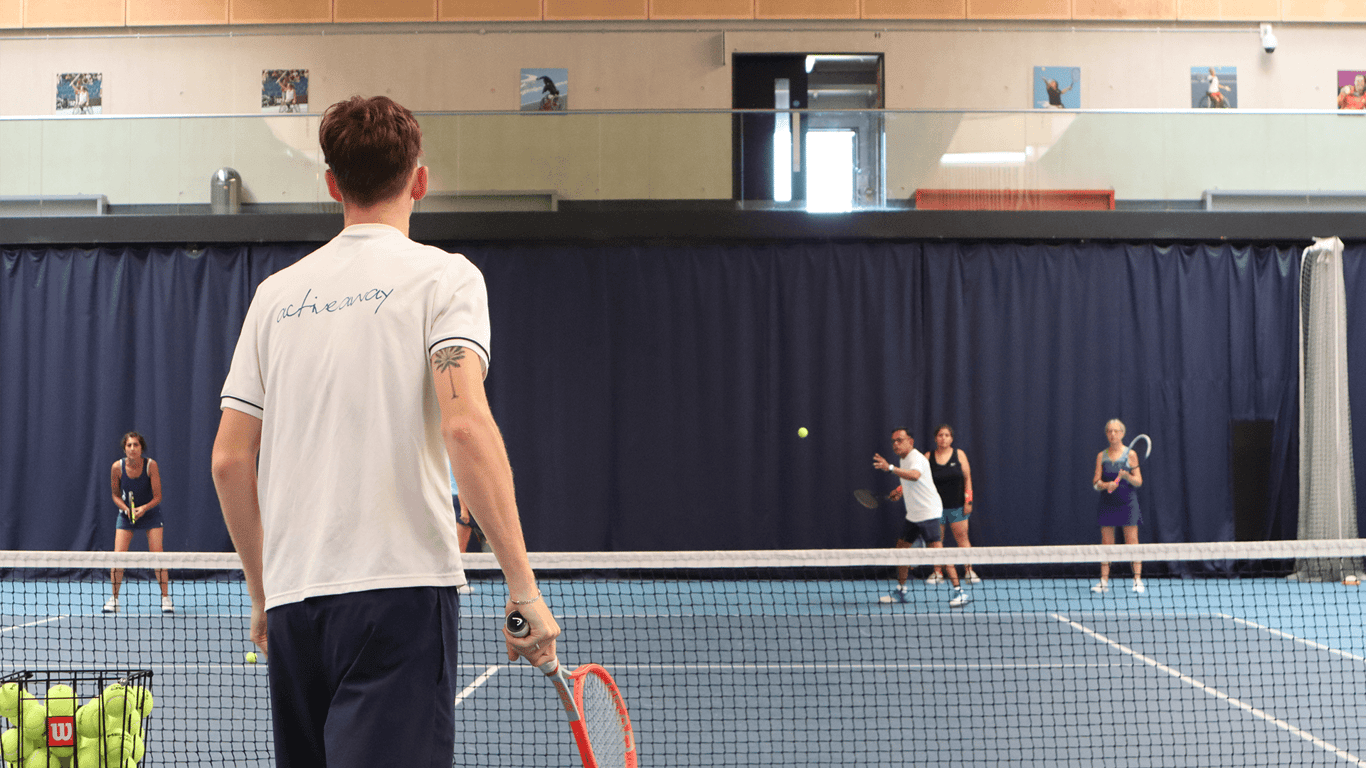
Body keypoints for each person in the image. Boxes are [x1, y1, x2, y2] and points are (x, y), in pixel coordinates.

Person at [212, 95, 559, 768]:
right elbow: (463, 423)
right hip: (399, 598)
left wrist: (263, 595)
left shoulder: (273, 297)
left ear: (332, 185)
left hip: (293, 605)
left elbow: (230, 461)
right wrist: (523, 588)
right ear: (419, 179)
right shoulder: (445, 279)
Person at [873, 428, 969, 607]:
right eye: (893, 441)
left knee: (939, 553)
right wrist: (899, 491)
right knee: (901, 549)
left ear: (910, 441)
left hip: (929, 512)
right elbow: (912, 480)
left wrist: (890, 468)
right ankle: (901, 591)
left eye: (899, 440)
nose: (896, 444)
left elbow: (915, 475)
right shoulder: (904, 459)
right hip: (914, 514)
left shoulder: (916, 457)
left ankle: (960, 592)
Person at [105, 431, 172, 614]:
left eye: (136, 445)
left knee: (158, 556)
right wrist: (126, 509)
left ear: (141, 448)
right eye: (129, 445)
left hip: (150, 514)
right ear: (124, 448)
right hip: (126, 515)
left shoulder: (151, 465)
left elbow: (158, 496)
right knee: (117, 557)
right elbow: (115, 495)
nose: (133, 448)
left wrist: (143, 509)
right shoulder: (116, 468)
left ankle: (166, 598)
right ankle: (114, 599)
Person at [1092, 418, 1144, 594]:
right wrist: (1106, 485)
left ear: (1122, 433)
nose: (1112, 434)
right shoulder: (1101, 455)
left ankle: (1137, 580)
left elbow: (1138, 481)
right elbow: (1095, 483)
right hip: (1108, 503)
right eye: (1109, 431)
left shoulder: (1131, 455)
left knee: (1132, 542)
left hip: (1128, 503)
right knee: (1107, 543)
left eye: (1116, 431)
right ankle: (1103, 582)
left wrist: (1127, 476)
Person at [925, 424, 980, 585]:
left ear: (952, 438)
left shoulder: (959, 455)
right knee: (936, 541)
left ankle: (969, 571)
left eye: (947, 435)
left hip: (957, 506)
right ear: (936, 438)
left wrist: (968, 501)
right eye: (940, 435)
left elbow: (967, 479)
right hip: (935, 508)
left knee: (962, 538)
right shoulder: (928, 456)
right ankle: (937, 573)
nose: (943, 438)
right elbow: (919, 477)